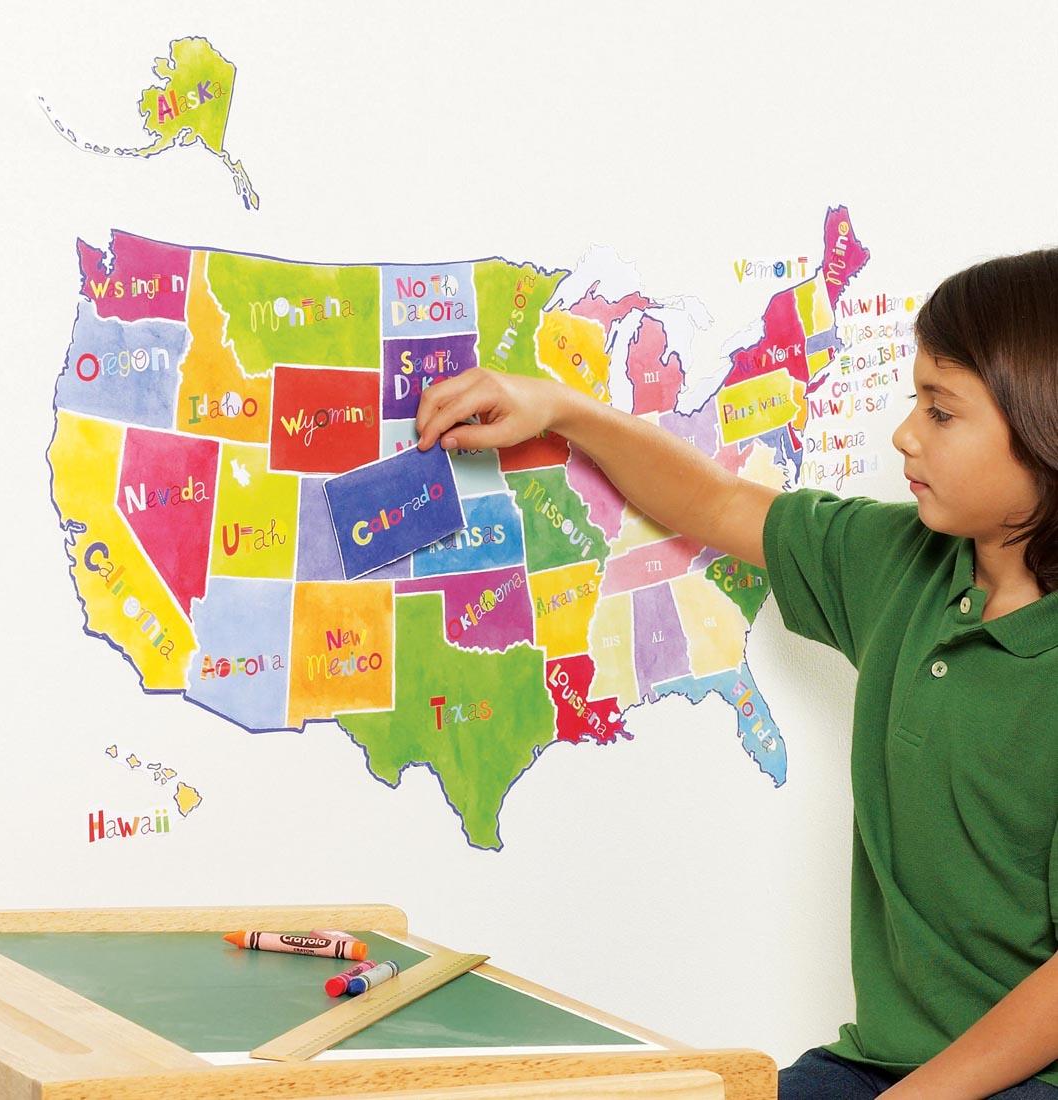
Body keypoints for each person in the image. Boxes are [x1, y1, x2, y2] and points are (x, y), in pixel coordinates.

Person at [415, 249, 1058, 1099]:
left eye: (941, 412)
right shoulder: (904, 564)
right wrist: (563, 410)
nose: (905, 433)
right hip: (878, 1067)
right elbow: (721, 506)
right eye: (914, 401)